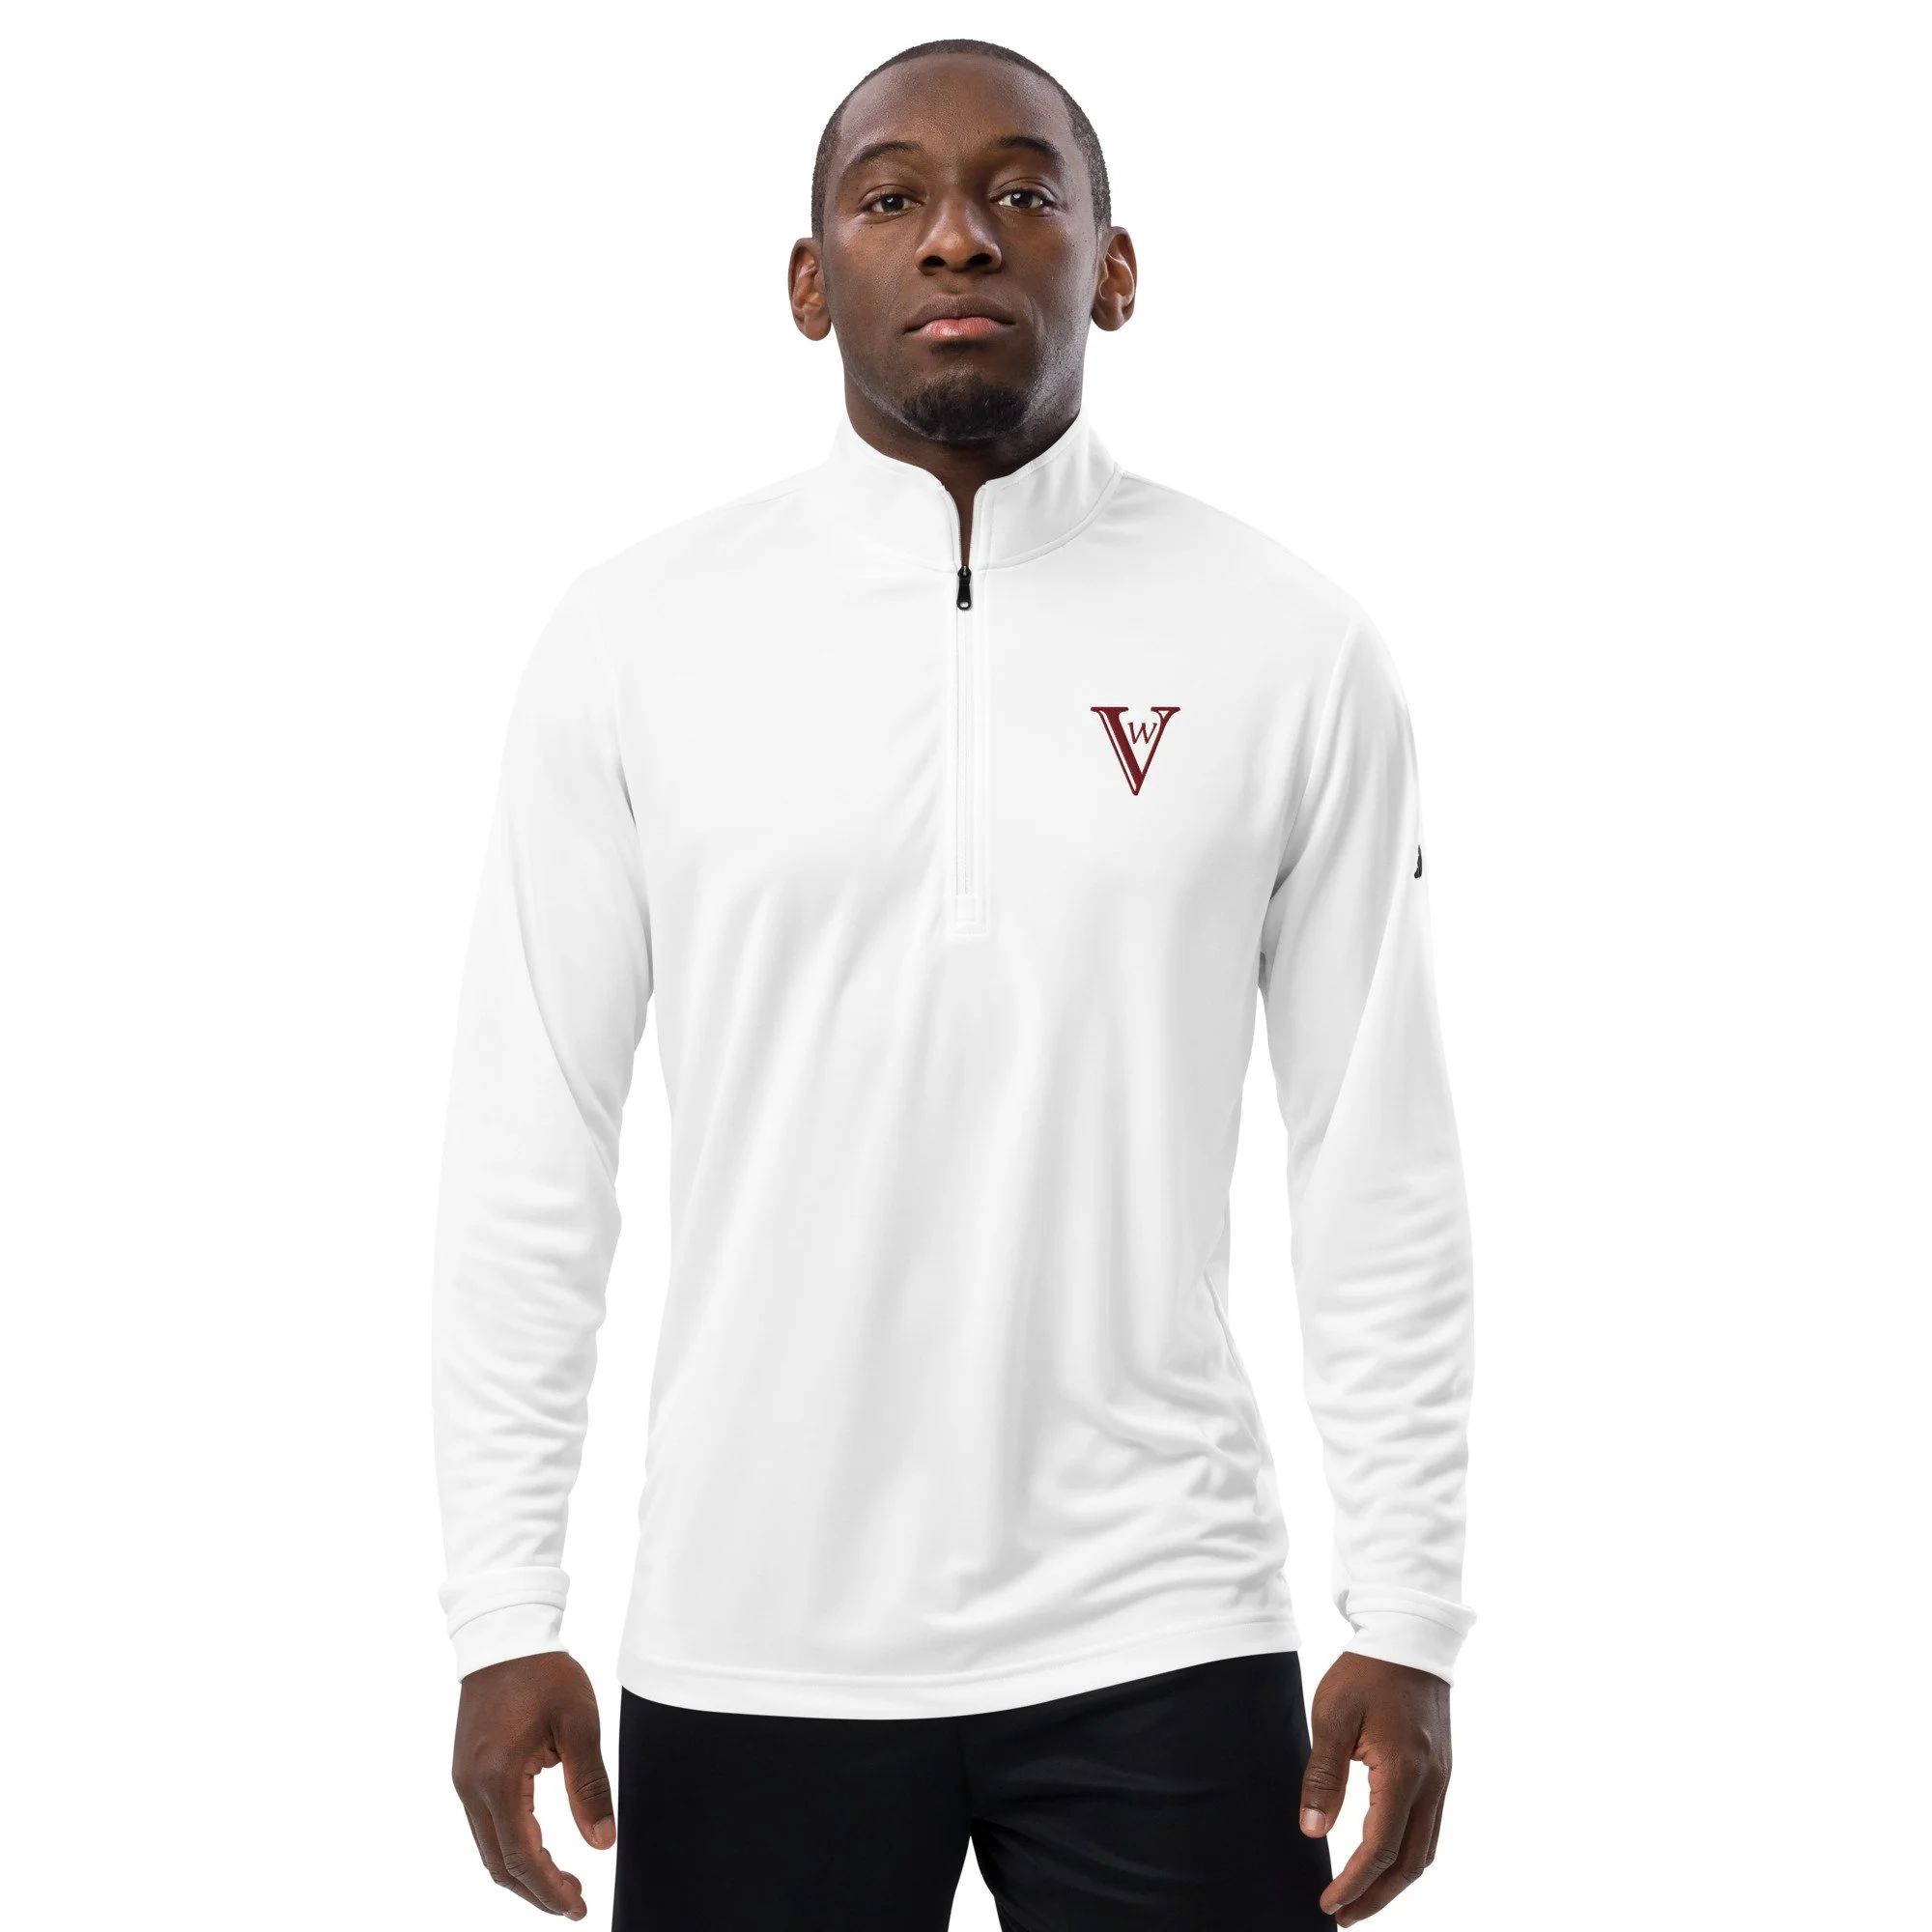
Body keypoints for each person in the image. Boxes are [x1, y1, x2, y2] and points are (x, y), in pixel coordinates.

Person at [434, 37, 1476, 1932]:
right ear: (807, 281)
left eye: (1021, 191)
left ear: (1116, 269)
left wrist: (1406, 1611)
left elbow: (1373, 1154)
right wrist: (506, 1608)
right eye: (891, 197)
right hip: (753, 1637)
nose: (957, 238)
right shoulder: (634, 642)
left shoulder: (1289, 644)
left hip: (1163, 1624)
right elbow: (532, 1147)